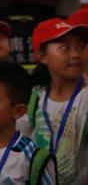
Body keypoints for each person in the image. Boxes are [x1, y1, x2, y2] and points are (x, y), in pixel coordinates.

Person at [16, 18, 88, 185]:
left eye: (81, 47)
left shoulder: (84, 98)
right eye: (64, 47)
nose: (76, 54)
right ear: (41, 56)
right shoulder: (34, 98)